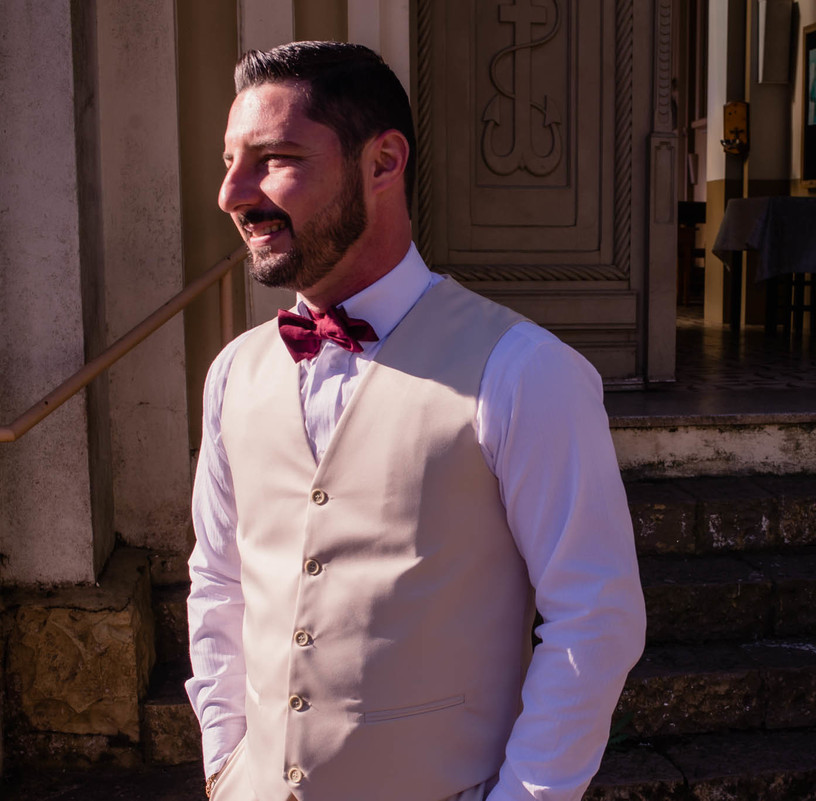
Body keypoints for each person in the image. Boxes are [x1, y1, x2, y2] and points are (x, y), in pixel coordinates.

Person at [186, 40, 646, 801]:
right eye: (230, 162)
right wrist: (224, 757)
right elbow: (218, 578)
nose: (232, 193)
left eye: (274, 159)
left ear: (383, 162)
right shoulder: (234, 371)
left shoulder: (525, 370)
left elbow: (595, 617)